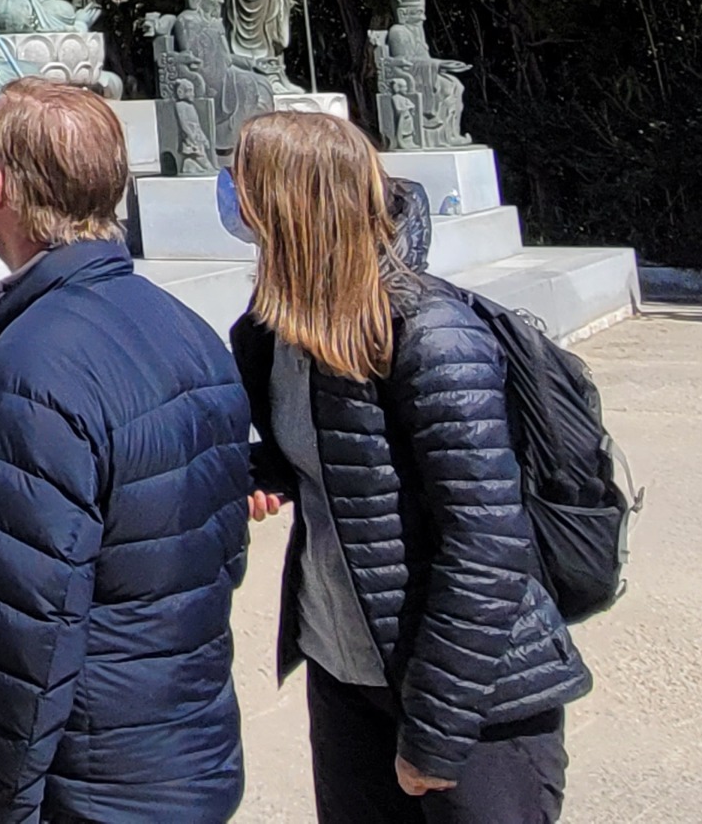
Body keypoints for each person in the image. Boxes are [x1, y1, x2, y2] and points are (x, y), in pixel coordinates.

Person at [227, 112, 589, 822]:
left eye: (239, 179)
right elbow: (338, 454)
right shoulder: (277, 335)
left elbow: (488, 545)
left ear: (287, 204)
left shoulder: (431, 335)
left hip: (473, 700)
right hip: (346, 672)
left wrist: (436, 731)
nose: (229, 198)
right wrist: (269, 470)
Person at [0, 82, 254, 824]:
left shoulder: (35, 372)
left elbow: (28, 622)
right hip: (186, 744)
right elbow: (224, 558)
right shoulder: (191, 331)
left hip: (94, 776)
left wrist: (0, 800)